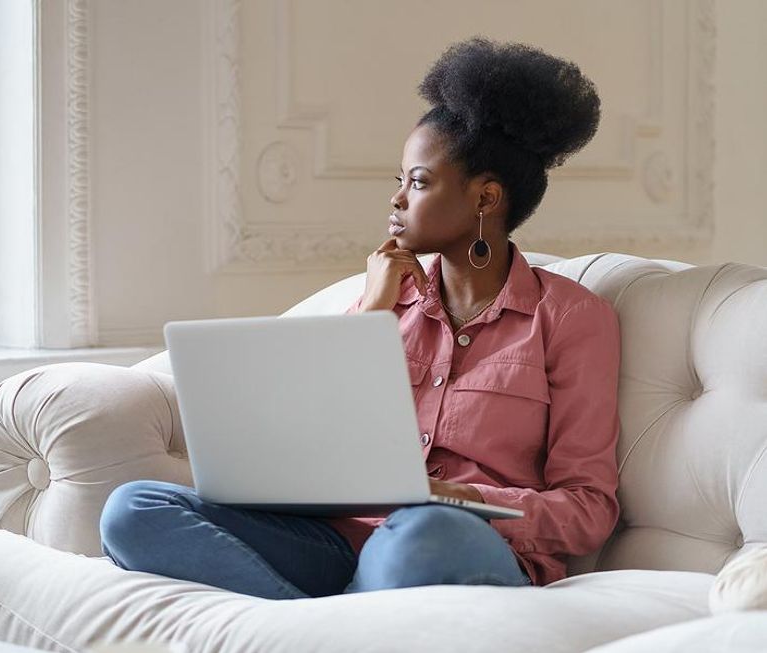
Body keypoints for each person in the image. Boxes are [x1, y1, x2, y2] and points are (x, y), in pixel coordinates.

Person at [98, 37, 621, 600]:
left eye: (417, 182)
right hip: (334, 544)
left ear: (486, 198)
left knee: (423, 528)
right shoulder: (382, 303)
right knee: (132, 508)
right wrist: (372, 311)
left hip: (460, 540)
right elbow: (303, 436)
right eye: (397, 181)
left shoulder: (569, 316)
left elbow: (588, 511)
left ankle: (320, 614)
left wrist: (446, 495)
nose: (397, 200)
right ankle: (320, 623)